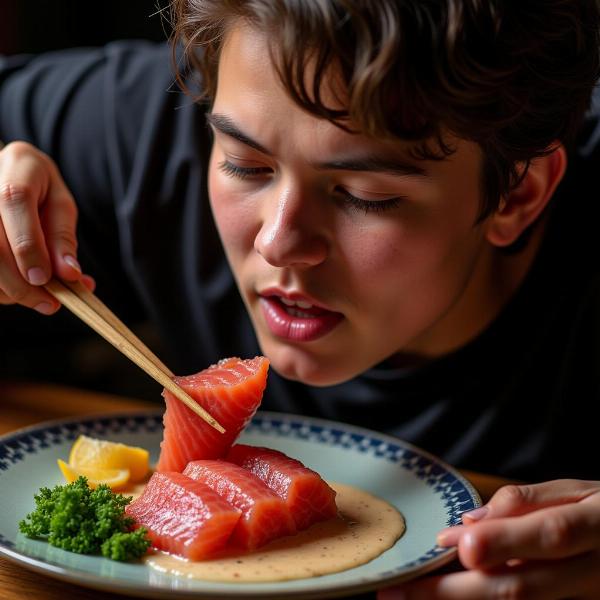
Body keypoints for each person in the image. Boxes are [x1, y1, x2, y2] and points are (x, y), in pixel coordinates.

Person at [1, 0, 600, 597]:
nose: (278, 242)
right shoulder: (145, 123)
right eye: (244, 164)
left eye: (365, 196)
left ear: (518, 194)